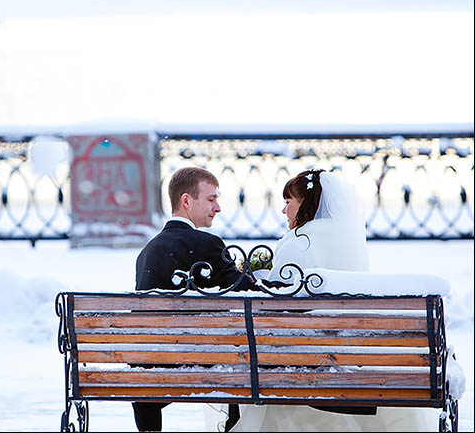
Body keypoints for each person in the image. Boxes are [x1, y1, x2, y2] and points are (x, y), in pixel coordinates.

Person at [205, 168, 440, 432]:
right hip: (350, 356)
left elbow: (275, 311)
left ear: (305, 204)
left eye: (288, 203)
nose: (284, 211)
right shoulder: (345, 238)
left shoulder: (299, 242)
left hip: (301, 361)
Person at [133, 166, 258, 432]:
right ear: (187, 201)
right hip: (199, 359)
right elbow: (249, 293)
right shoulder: (207, 244)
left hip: (148, 363)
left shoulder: (147, 251)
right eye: (211, 199)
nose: (218, 207)